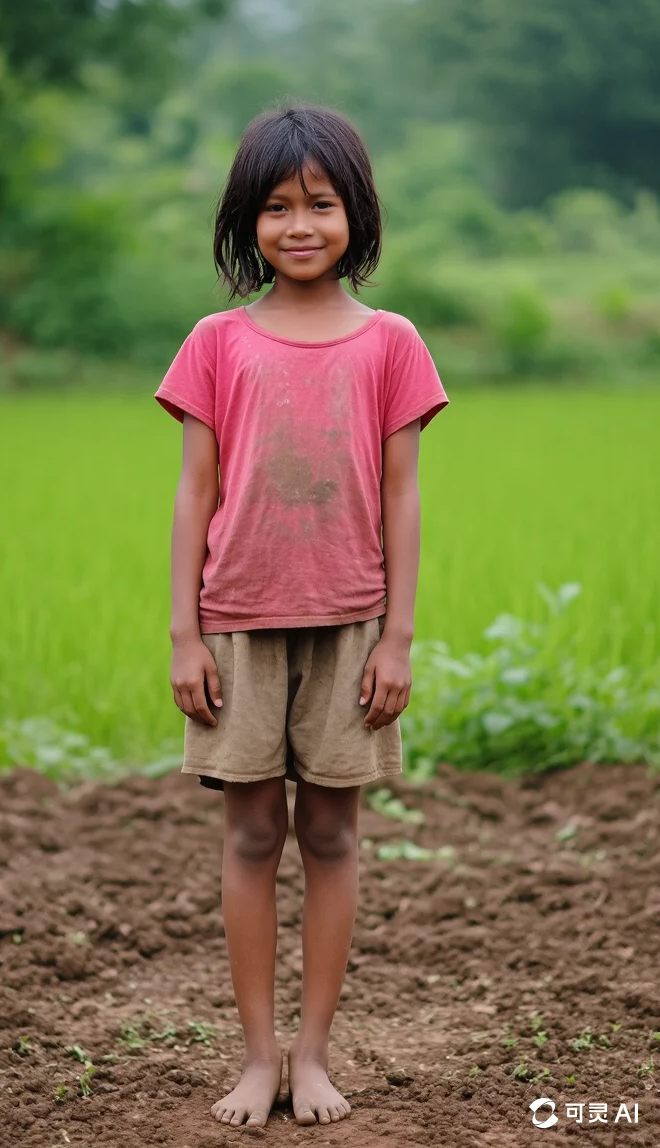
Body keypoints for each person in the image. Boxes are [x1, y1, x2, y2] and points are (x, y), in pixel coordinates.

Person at [154, 104, 449, 1131]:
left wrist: (400, 637)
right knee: (247, 834)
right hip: (234, 619)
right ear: (249, 221)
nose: (299, 224)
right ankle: (255, 1055)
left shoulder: (392, 342)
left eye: (320, 203)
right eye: (277, 206)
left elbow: (404, 494)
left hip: (351, 622)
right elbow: (195, 491)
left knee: (331, 831)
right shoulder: (215, 340)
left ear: (355, 214)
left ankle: (314, 1052)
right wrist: (184, 630)